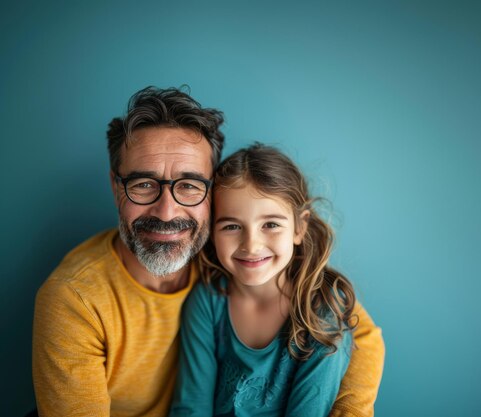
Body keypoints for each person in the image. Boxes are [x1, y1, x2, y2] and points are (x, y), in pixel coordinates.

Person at [32, 86, 385, 417]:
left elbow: (362, 336)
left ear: (211, 195)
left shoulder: (224, 262)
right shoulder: (75, 299)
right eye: (143, 184)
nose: (167, 212)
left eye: (188, 186)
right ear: (115, 186)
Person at [170, 144, 359, 416]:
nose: (251, 244)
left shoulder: (322, 310)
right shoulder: (208, 300)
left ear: (299, 227)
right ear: (212, 232)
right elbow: (191, 406)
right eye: (232, 226)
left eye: (270, 224)